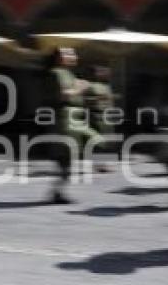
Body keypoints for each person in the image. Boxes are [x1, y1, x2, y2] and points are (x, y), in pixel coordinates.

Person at [46, 47, 103, 204]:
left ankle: (57, 192)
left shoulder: (68, 73)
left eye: (73, 53)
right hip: (66, 119)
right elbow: (64, 95)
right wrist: (80, 88)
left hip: (74, 117)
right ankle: (57, 192)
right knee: (67, 155)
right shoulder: (57, 73)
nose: (73, 55)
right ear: (59, 58)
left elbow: (74, 95)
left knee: (70, 157)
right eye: (68, 53)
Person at [83, 64, 117, 173]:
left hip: (107, 115)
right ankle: (96, 165)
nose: (106, 74)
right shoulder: (90, 86)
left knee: (107, 140)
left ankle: (104, 165)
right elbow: (85, 100)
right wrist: (97, 99)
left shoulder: (107, 86)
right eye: (102, 72)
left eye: (106, 72)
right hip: (96, 115)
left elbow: (110, 101)